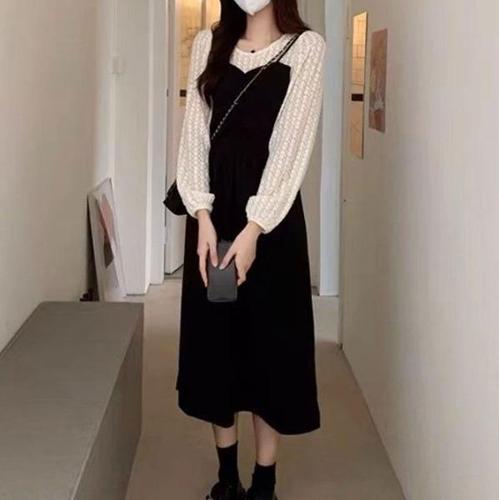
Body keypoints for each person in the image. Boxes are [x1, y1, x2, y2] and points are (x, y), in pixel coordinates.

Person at [175, 0, 326, 498]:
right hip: (213, 216)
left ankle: (264, 482)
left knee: (269, 347)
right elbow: (194, 136)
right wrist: (201, 214)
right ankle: (227, 478)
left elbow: (291, 145)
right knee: (215, 344)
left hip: (272, 221)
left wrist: (255, 227)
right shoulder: (208, 43)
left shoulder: (305, 48)